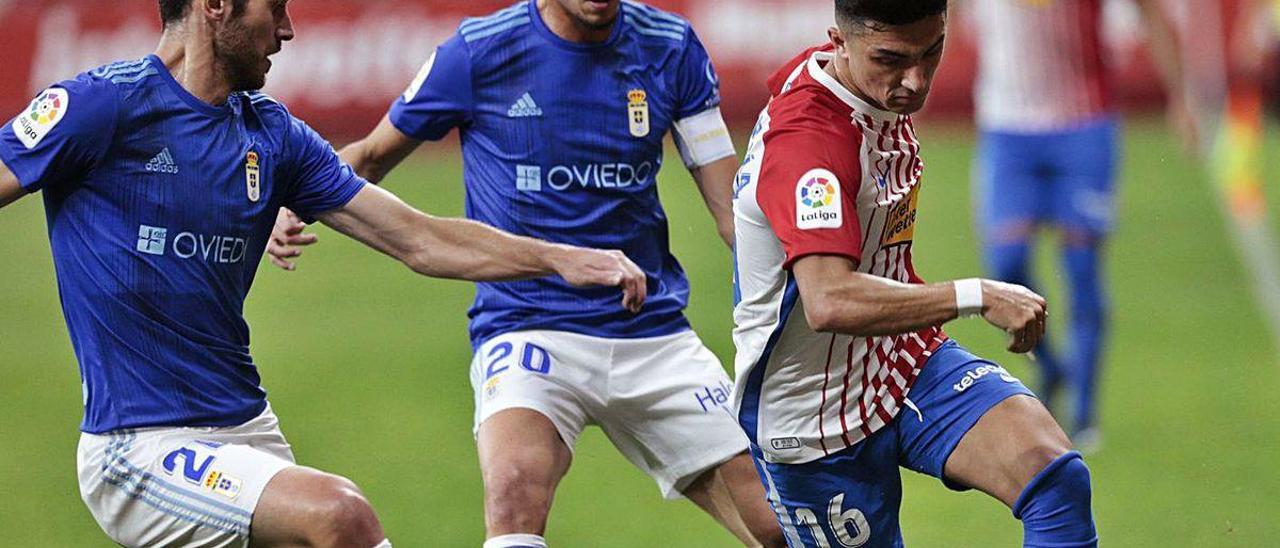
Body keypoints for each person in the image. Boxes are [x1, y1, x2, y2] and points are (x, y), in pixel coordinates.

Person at [0, 0, 646, 546]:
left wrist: (559, 258)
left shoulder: (273, 137)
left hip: (246, 431)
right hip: (135, 444)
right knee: (340, 517)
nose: (287, 31)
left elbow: (419, 238)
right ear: (216, 6)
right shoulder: (100, 107)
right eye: (274, 8)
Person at [266, 1, 784, 546]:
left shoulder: (671, 45)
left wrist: (798, 278)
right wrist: (294, 202)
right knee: (514, 491)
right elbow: (370, 155)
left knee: (777, 527)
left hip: (651, 332)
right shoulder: (478, 52)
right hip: (527, 323)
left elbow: (733, 207)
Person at [731, 1, 1096, 546]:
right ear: (839, 40)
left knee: (1055, 480)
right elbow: (828, 300)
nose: (915, 80)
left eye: (933, 52)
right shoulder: (811, 146)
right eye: (892, 59)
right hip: (811, 415)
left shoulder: (860, 85)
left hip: (901, 358)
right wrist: (976, 295)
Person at [967, 0, 1188, 445]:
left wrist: (1181, 93)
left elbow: (1151, 12)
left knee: (1083, 267)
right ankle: (1053, 367)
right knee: (1005, 265)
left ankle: (1084, 413)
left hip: (1083, 123)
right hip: (1007, 128)